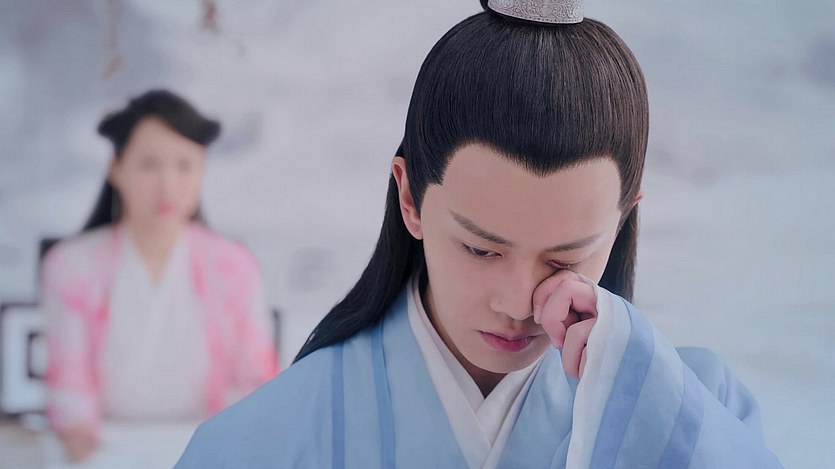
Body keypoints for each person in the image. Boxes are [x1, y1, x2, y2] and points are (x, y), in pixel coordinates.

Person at [175, 1, 782, 467]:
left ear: (623, 220)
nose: (518, 303)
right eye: (480, 248)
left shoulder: (696, 407)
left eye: (565, 259)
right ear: (410, 198)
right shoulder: (264, 440)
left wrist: (649, 409)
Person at [41, 89, 279, 463]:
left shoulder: (233, 265)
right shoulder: (72, 265)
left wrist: (241, 442)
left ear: (202, 170)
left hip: (209, 449)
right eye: (149, 164)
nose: (168, 184)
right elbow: (69, 380)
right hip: (103, 449)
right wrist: (80, 437)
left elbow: (254, 377)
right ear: (116, 169)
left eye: (185, 165)